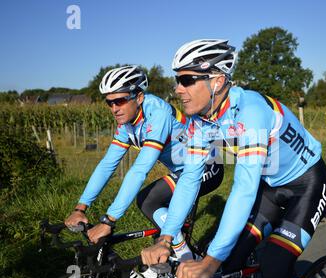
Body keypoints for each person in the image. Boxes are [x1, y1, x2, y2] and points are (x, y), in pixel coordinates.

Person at [140, 39, 326, 278]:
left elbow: (243, 188)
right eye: (177, 80)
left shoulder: (250, 111)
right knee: (229, 263)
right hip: (270, 189)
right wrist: (165, 237)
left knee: (275, 268)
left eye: (186, 80)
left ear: (217, 81)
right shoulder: (201, 121)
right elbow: (189, 181)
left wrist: (209, 262)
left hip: (307, 184)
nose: (177, 89)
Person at [65, 65, 223, 264]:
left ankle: (186, 260)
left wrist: (109, 220)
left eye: (120, 101)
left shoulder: (158, 113)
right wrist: (81, 207)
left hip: (209, 165)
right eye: (109, 103)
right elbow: (107, 164)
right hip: (183, 171)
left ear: (138, 97)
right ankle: (174, 254)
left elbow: (140, 169)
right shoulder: (127, 123)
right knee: (154, 208)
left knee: (148, 199)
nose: (115, 109)